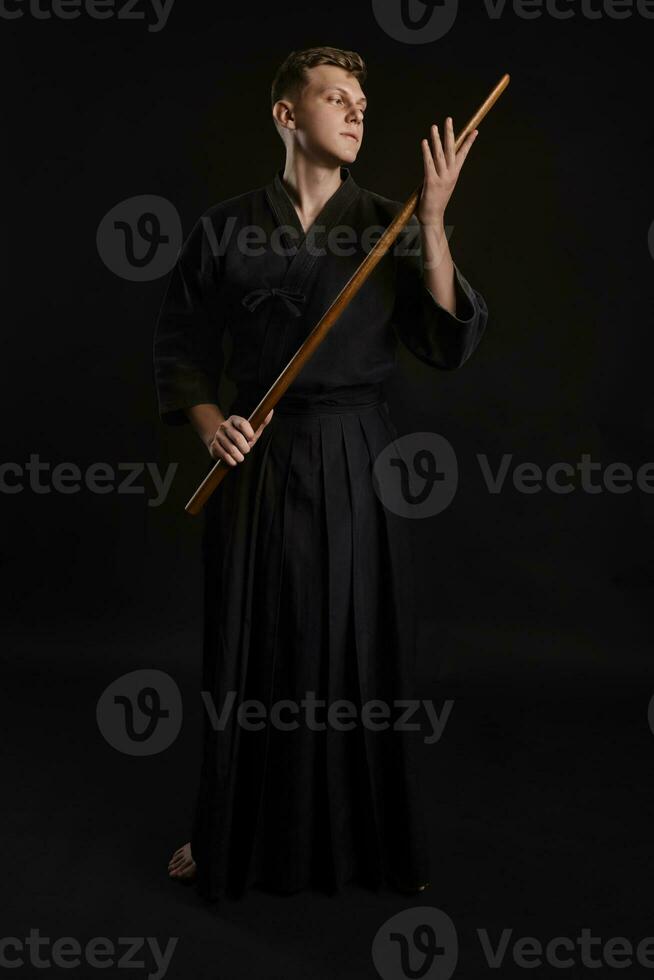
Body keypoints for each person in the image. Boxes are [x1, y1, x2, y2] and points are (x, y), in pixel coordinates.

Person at [154, 45, 488, 900]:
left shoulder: (388, 219)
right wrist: (211, 426)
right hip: (257, 459)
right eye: (334, 97)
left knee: (354, 648)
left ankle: (368, 840)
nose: (354, 112)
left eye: (361, 104)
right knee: (250, 649)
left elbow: (443, 338)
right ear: (286, 115)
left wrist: (436, 223)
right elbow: (184, 354)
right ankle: (226, 829)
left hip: (356, 461)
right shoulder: (225, 226)